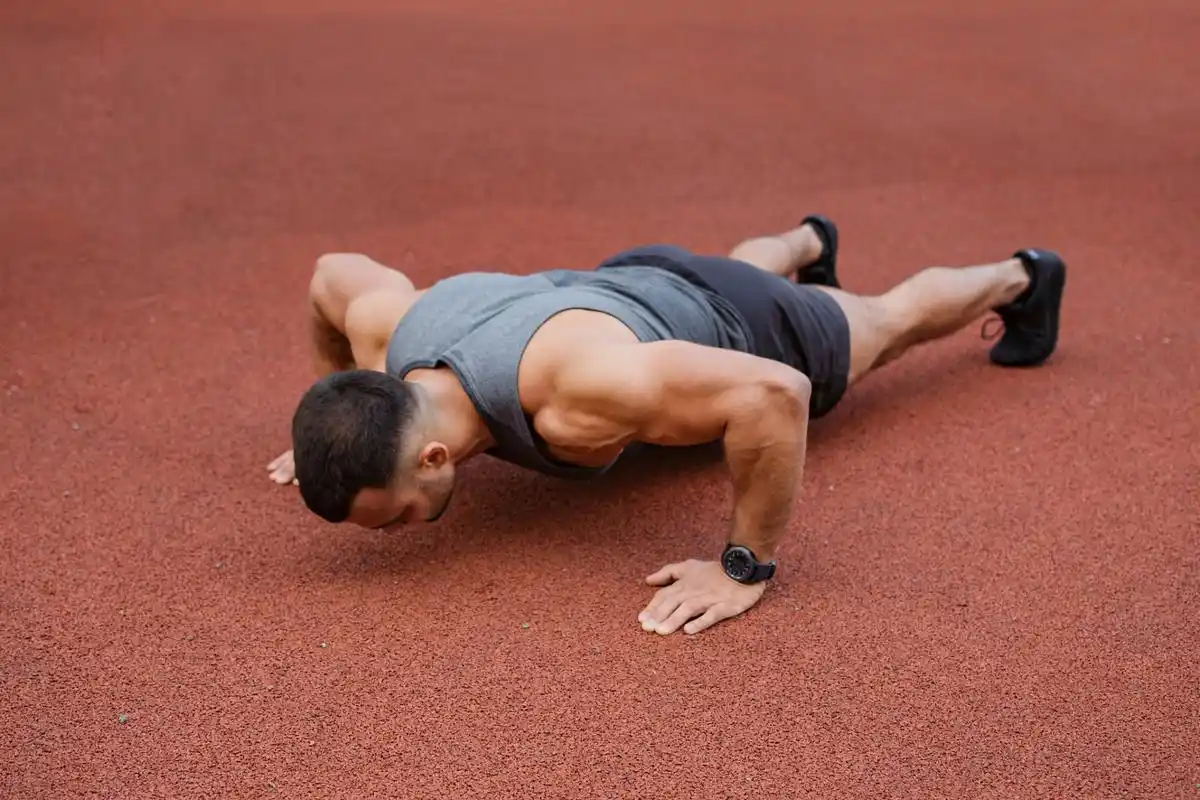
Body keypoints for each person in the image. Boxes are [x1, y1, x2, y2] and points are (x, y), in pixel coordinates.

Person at [265, 214, 1066, 636]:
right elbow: (331, 275)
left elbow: (772, 393)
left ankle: (1022, 276)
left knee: (886, 321)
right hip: (630, 283)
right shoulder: (388, 334)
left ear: (434, 455)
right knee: (723, 277)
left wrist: (743, 567)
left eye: (395, 516)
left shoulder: (580, 390)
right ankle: (807, 239)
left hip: (745, 321)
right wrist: (340, 432)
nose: (395, 532)